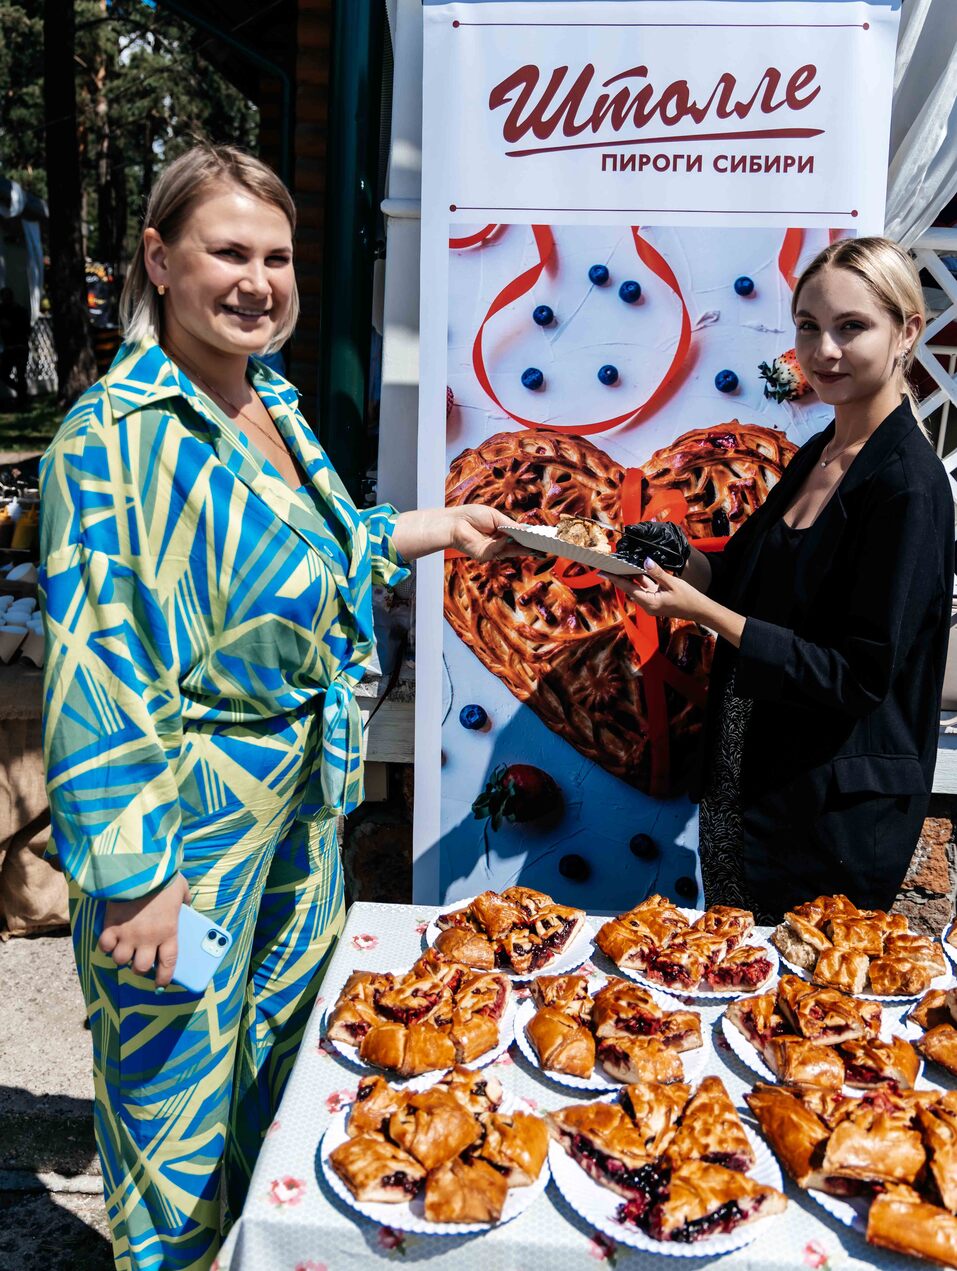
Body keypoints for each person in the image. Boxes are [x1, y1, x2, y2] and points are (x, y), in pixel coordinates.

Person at [39, 144, 515, 1271]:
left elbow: (311, 550)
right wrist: (138, 876)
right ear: (160, 260)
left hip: (300, 804)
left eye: (279, 257)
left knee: (284, 1069)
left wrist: (432, 529)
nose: (259, 282)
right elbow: (98, 666)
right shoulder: (111, 441)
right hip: (185, 831)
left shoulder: (265, 401)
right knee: (171, 1104)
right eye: (229, 253)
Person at [611, 236, 954, 923]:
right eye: (808, 326)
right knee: (731, 967)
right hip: (743, 785)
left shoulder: (907, 488)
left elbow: (857, 677)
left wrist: (702, 613)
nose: (824, 350)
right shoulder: (820, 453)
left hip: (825, 817)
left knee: (794, 990)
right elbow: (738, 579)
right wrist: (673, 558)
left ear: (907, 333)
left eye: (851, 327)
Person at [0, 285, 31, 406]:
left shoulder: (20, 311)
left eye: (6, 298)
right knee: (3, 374)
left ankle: (22, 399)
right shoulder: (2, 311)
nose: (4, 300)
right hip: (9, 348)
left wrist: (11, 326)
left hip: (20, 347)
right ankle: (22, 393)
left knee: (20, 374)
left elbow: (26, 330)